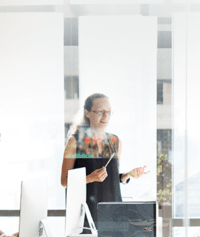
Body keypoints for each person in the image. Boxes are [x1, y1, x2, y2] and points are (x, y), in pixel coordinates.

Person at [60, 93, 149, 229]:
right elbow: (64, 181)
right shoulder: (75, 142)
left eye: (109, 112)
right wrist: (90, 178)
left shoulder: (115, 141)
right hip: (86, 216)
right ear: (87, 113)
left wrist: (128, 175)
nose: (106, 116)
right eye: (100, 112)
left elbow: (113, 178)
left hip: (114, 215)